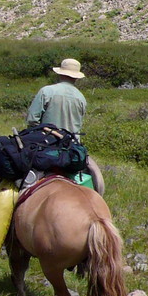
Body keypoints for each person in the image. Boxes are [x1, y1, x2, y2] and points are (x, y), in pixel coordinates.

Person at [25, 57, 104, 194]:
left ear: (60, 73)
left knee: (20, 178)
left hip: (46, 145)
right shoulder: (81, 98)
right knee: (96, 179)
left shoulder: (46, 91)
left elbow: (32, 120)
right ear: (76, 77)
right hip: (72, 146)